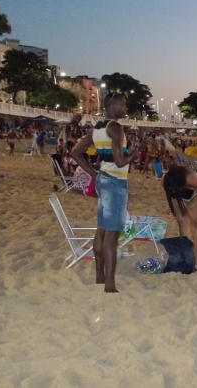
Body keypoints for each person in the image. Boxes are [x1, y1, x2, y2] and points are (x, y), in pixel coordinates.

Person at [71, 93, 139, 293]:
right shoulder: (115, 128)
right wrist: (135, 153)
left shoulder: (97, 128)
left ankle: (100, 276)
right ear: (114, 105)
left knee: (102, 229)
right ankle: (109, 284)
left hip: (103, 180)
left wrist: (94, 173)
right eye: (124, 105)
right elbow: (120, 162)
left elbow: (75, 152)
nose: (126, 108)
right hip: (116, 182)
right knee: (112, 234)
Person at [162, 165, 197, 264]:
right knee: (182, 222)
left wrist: (195, 203)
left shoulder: (190, 179)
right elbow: (169, 194)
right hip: (178, 195)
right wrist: (170, 205)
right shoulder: (165, 180)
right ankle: (186, 251)